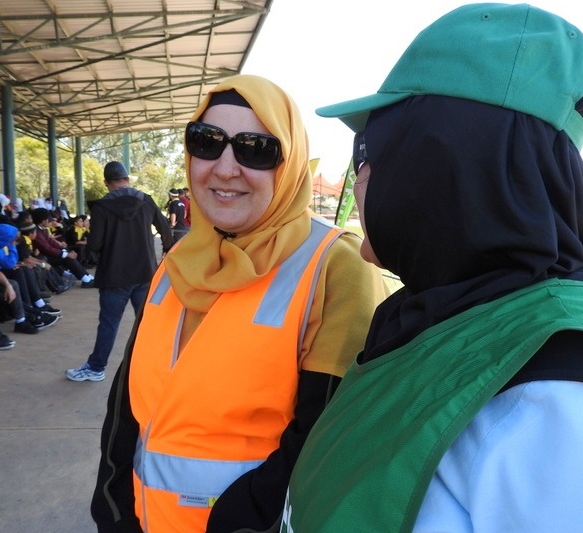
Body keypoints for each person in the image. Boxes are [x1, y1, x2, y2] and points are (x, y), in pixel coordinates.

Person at [281, 4, 583, 532]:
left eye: (370, 150)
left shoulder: (582, 407)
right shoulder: (435, 318)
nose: (363, 177)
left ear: (441, 162)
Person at [90, 75, 387, 532]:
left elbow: (325, 442)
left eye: (255, 149)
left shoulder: (334, 266)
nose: (225, 168)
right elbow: (125, 412)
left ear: (286, 166)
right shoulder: (178, 261)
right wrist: (112, 512)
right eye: (207, 142)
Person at [65, 161, 174, 383]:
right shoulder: (146, 200)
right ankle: (159, 368)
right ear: (127, 179)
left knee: (108, 324)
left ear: (106, 183)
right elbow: (166, 232)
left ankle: (96, 368)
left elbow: (94, 245)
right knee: (147, 323)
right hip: (144, 274)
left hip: (114, 276)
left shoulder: (102, 208)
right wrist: (165, 252)